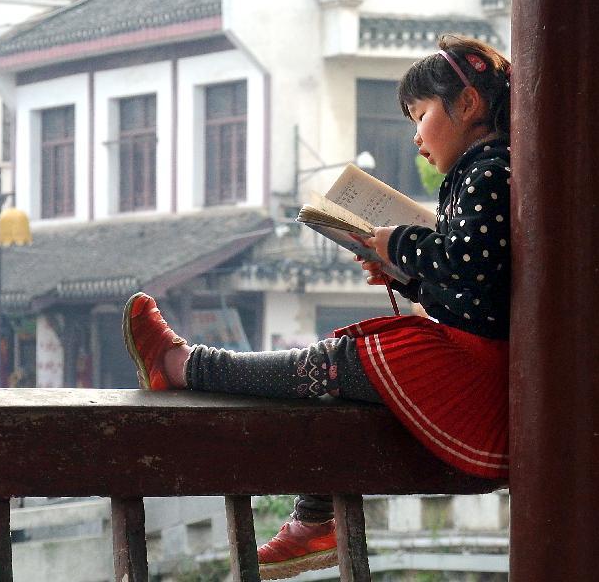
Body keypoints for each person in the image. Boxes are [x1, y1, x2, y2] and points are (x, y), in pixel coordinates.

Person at [122, 34, 512, 580]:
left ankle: (184, 365)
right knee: (341, 369)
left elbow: (470, 267)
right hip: (474, 361)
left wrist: (399, 244)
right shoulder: (483, 171)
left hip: (477, 373)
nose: (415, 136)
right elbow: (480, 287)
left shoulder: (491, 172)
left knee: (337, 363)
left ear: (467, 105)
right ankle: (314, 517)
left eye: (420, 115)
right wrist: (411, 278)